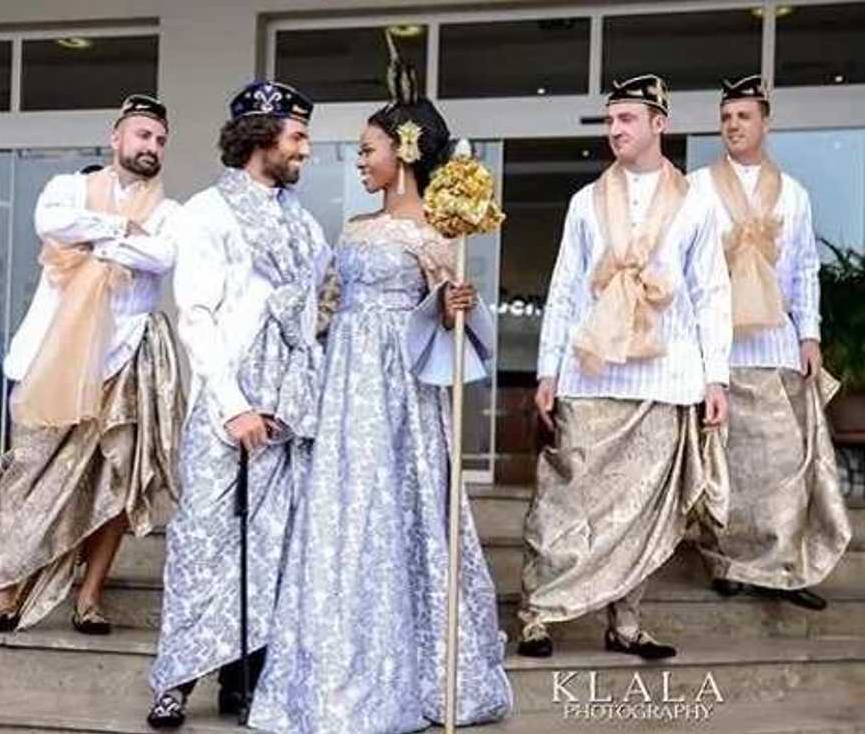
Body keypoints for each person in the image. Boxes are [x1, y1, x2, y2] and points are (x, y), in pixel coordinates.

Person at [247, 39, 513, 733]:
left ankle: (421, 671)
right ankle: (334, 674)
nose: (360, 159)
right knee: (344, 517)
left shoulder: (434, 233)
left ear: (406, 149)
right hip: (346, 393)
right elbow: (322, 308)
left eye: (369, 148)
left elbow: (461, 328)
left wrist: (456, 306)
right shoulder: (355, 226)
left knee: (408, 511)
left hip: (401, 394)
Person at [0, 95, 185, 635]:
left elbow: (166, 256)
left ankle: (89, 597)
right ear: (116, 137)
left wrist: (97, 237)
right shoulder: (67, 188)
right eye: (143, 135)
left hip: (125, 362)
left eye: (161, 140)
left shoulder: (170, 211)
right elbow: (51, 222)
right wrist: (124, 232)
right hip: (53, 359)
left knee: (115, 482)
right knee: (25, 476)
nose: (152, 148)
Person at [518, 74, 731, 660]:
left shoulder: (696, 202)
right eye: (610, 120)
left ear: (659, 123)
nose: (615, 130)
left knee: (643, 509)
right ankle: (540, 611)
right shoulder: (585, 202)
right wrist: (547, 371)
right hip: (591, 372)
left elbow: (712, 292)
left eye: (627, 119)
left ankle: (627, 622)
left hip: (667, 378)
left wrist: (716, 378)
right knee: (568, 496)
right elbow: (563, 290)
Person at [146, 81, 329, 729]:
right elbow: (195, 316)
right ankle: (175, 676)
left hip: (292, 407)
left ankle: (243, 677)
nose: (305, 147)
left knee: (275, 548)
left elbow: (315, 312)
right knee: (205, 542)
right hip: (231, 405)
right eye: (296, 135)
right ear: (260, 137)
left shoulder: (305, 224)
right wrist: (233, 405)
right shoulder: (207, 212)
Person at [689, 75, 851, 611]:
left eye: (743, 116)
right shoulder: (698, 188)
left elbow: (805, 269)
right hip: (721, 347)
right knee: (728, 460)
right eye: (726, 117)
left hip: (778, 343)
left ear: (765, 121)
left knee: (783, 461)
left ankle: (782, 567)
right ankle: (727, 562)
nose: (733, 125)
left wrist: (810, 335)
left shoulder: (795, 193)